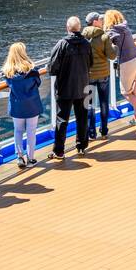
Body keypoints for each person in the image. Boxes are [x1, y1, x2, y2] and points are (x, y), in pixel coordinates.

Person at [47, 16, 93, 161]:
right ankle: (81, 146)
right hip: (85, 87)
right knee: (82, 117)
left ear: (68, 28)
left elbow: (52, 68)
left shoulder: (62, 44)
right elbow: (90, 63)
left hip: (65, 88)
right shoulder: (86, 43)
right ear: (79, 28)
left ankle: (59, 151)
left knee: (62, 119)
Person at [1, 44, 43, 168]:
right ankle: (31, 158)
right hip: (32, 104)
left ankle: (20, 157)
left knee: (18, 130)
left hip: (16, 105)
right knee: (31, 131)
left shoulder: (7, 72)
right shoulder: (33, 71)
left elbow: (9, 84)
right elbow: (38, 83)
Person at [105, 10, 136, 126]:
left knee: (125, 92)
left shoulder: (111, 31)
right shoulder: (126, 28)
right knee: (135, 90)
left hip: (127, 63)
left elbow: (107, 48)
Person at [83, 11, 118, 140]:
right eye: (99, 19)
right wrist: (114, 47)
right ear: (95, 22)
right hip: (103, 75)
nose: (102, 21)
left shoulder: (82, 37)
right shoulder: (104, 37)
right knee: (104, 103)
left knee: (89, 104)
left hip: (88, 76)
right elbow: (112, 56)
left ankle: (91, 133)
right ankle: (104, 131)